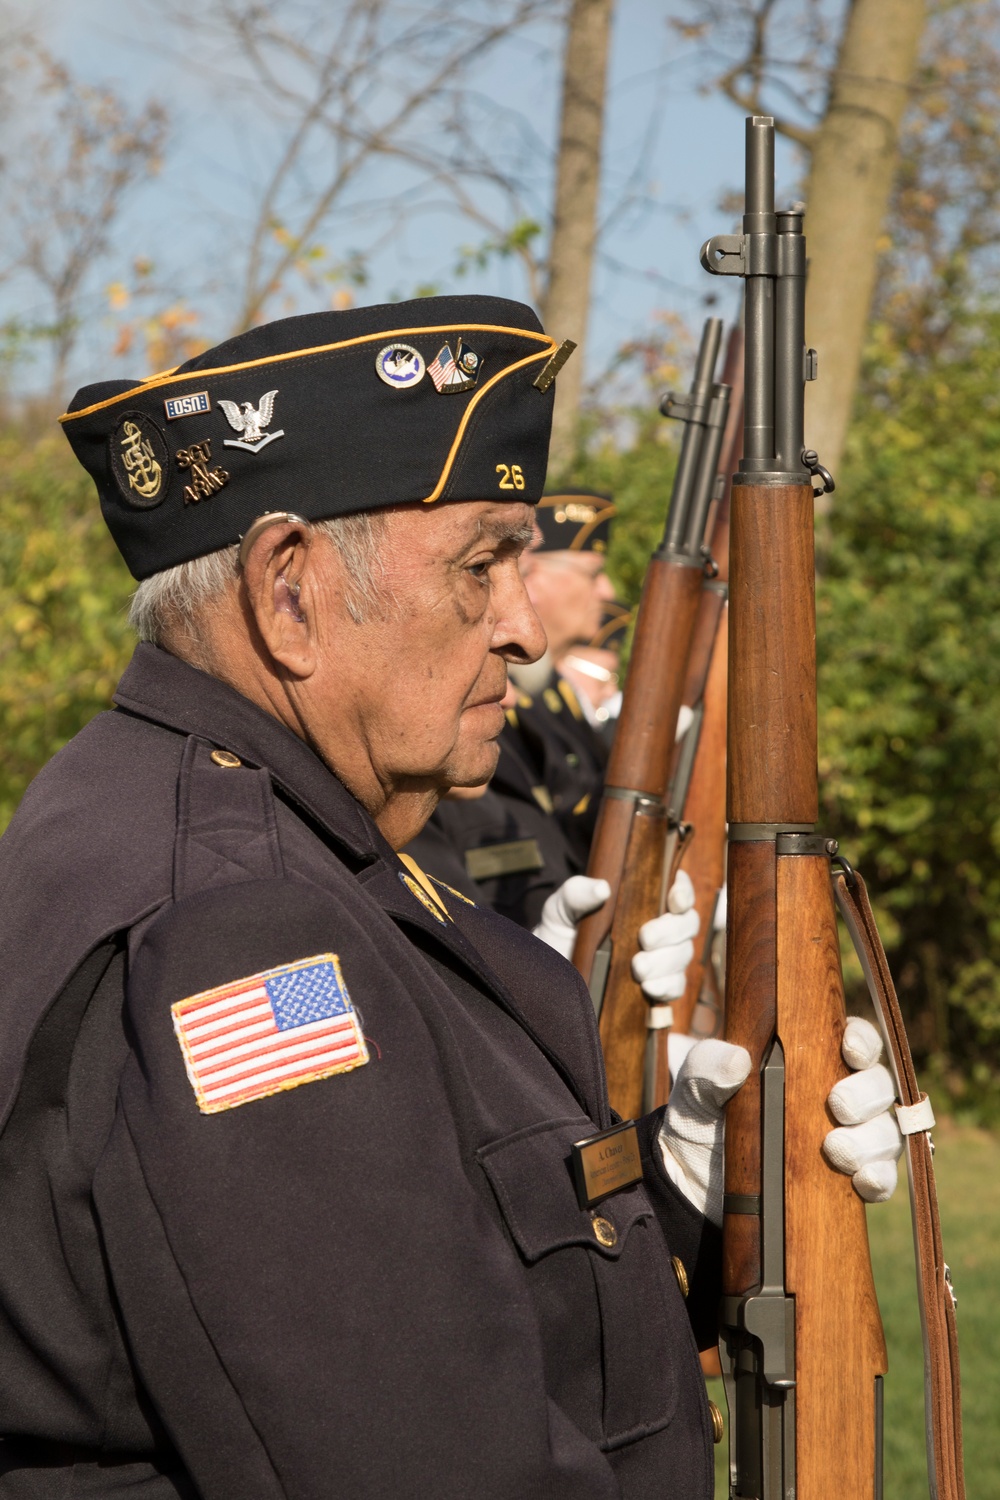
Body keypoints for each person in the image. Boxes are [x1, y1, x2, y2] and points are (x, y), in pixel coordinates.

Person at [0, 294, 902, 1500]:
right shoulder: (242, 933)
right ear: (288, 593)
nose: (524, 629)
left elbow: (435, 1278)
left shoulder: (242, 823)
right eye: (481, 565)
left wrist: (674, 1193)